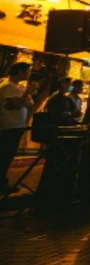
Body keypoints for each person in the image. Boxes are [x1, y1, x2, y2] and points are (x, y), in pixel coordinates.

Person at [0, 63, 37, 195]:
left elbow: (29, 103)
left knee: (8, 155)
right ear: (19, 72)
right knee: (4, 155)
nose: (28, 74)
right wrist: (28, 91)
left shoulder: (17, 87)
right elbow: (17, 104)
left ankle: (3, 182)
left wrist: (24, 99)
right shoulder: (8, 86)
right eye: (27, 71)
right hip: (9, 126)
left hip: (16, 125)